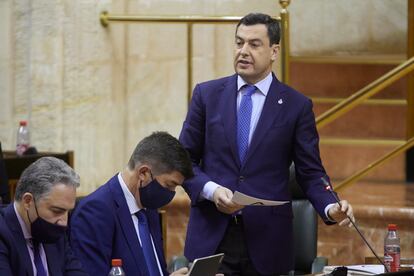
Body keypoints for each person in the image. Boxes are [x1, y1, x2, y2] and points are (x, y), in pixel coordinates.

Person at [179, 13, 355, 275]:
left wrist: (332, 207)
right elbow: (183, 159)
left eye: (254, 44)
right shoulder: (207, 95)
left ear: (274, 51)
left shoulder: (296, 106)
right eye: (239, 43)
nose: (243, 51)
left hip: (268, 242)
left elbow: (311, 172)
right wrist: (212, 190)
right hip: (212, 237)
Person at [70, 131, 194, 276]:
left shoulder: (149, 207)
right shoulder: (95, 212)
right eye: (169, 185)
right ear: (143, 173)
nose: (171, 193)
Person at [0, 156, 88, 276]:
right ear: (27, 201)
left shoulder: (54, 233)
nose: (64, 222)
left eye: (68, 212)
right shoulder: (3, 233)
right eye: (57, 211)